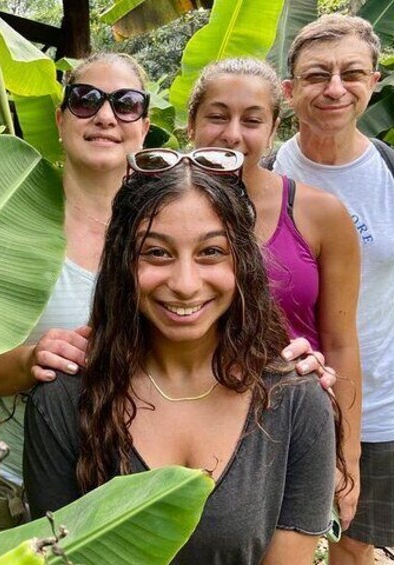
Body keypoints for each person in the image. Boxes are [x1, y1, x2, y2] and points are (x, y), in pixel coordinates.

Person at [0, 53, 332, 532]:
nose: (104, 116)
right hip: (33, 470)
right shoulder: (6, 223)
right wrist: (28, 361)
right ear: (59, 119)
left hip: (189, 463)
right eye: (85, 100)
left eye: (126, 103)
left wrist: (294, 376)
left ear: (145, 124)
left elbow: (235, 315)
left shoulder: (183, 211)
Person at [24, 155, 344, 564]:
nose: (185, 284)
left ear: (242, 262)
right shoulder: (65, 399)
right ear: (123, 263)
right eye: (157, 253)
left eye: (211, 251)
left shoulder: (296, 401)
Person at [273, 14, 394, 563]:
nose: (335, 88)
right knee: (265, 545)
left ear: (373, 83)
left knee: (355, 548)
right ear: (289, 91)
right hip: (271, 397)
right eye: (317, 75)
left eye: (351, 73)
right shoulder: (262, 176)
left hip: (375, 400)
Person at [186, 58, 362, 529]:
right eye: (218, 116)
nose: (232, 135)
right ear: (192, 123)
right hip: (186, 418)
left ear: (273, 128)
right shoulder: (159, 209)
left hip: (293, 424)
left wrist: (347, 452)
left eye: (252, 119)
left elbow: (341, 342)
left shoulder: (320, 213)